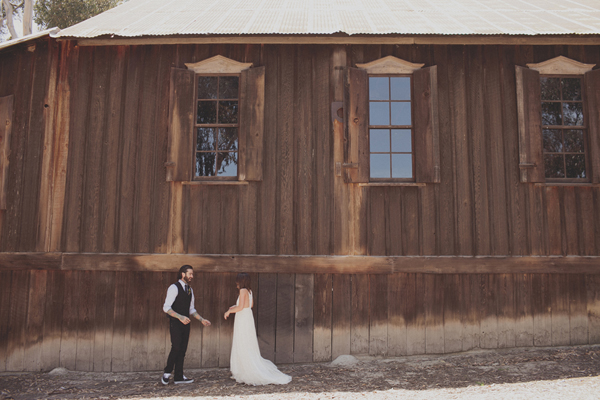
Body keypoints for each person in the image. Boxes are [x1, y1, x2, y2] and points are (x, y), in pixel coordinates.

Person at [224, 273, 292, 385]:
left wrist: (229, 311)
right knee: (247, 342)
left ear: (240, 281)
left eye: (237, 281)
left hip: (242, 319)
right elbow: (249, 305)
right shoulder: (249, 291)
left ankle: (245, 370)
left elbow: (241, 307)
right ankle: (242, 370)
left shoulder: (242, 291)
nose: (236, 284)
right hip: (247, 317)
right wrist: (234, 307)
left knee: (242, 342)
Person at [161, 265, 211, 385]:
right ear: (183, 274)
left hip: (186, 324)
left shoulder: (190, 289)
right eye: (190, 274)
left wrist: (201, 319)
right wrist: (180, 317)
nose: (192, 276)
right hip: (176, 323)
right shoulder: (173, 288)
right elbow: (166, 307)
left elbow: (191, 309)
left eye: (192, 274)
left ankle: (178, 377)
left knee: (182, 350)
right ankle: (167, 373)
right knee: (176, 347)